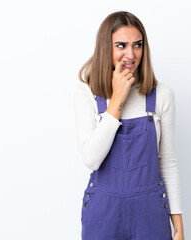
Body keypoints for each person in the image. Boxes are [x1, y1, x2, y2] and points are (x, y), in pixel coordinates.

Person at [74, 11, 184, 239]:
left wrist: (179, 226)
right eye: (121, 45)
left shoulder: (161, 95)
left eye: (137, 45)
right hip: (103, 213)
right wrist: (116, 101)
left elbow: (168, 163)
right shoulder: (87, 93)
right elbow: (91, 159)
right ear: (106, 48)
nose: (131, 54)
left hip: (150, 213)